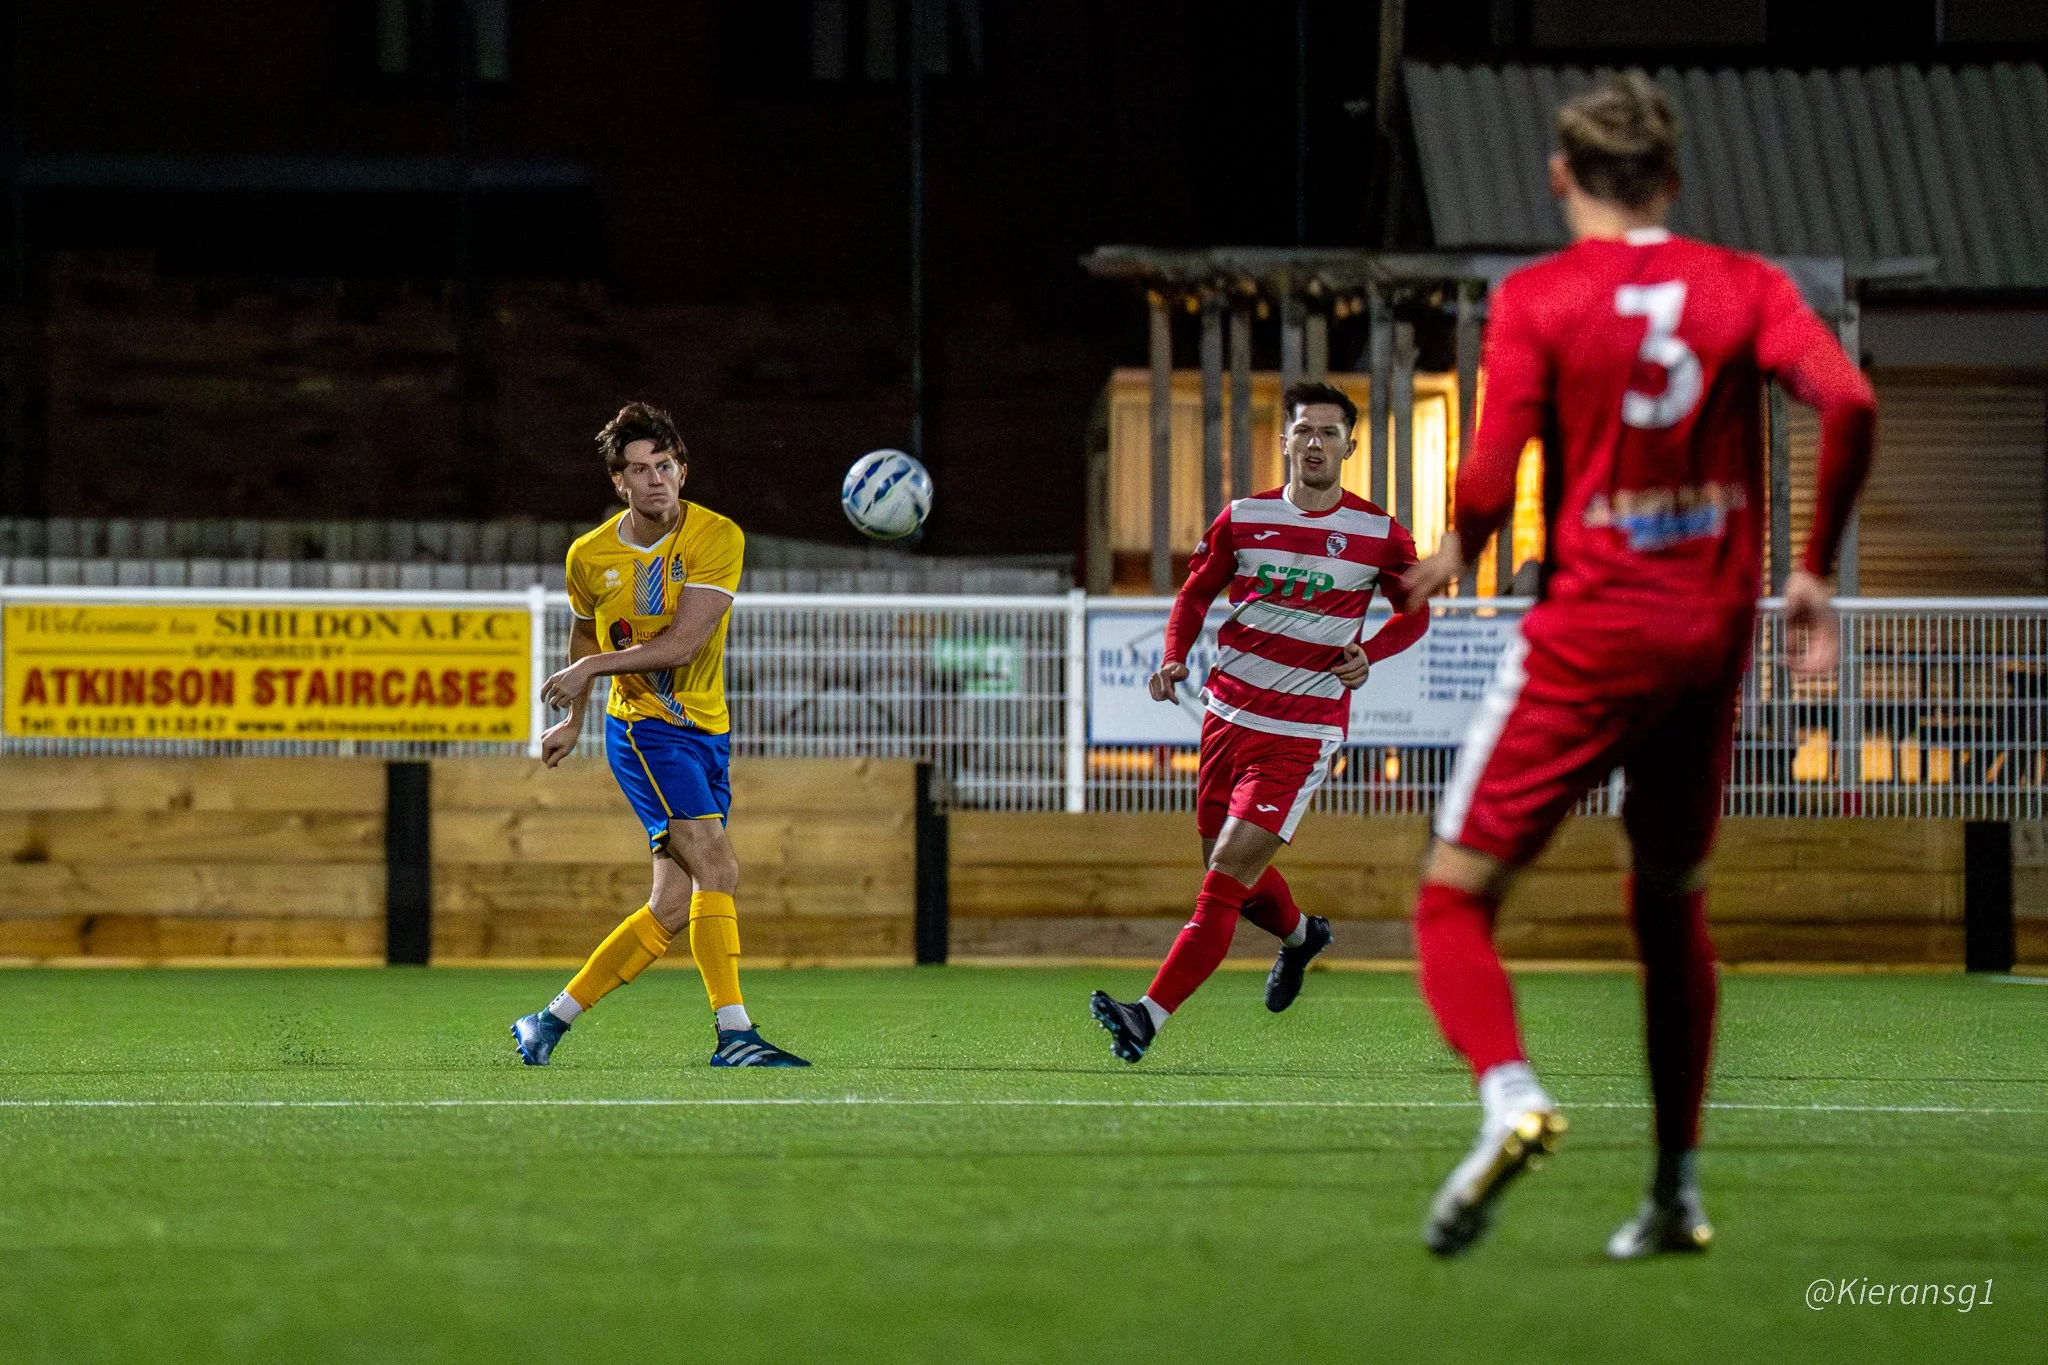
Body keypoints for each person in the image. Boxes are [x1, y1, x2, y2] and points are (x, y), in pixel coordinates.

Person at [1396, 72, 1875, 1256]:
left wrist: (1457, 542)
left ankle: (1509, 1094)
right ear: (1670, 179)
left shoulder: (1539, 298)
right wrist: (1809, 567)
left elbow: (1490, 464)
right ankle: (1672, 1193)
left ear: (1560, 178)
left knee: (1450, 901)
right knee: (1666, 905)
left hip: (1589, 633)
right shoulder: (1742, 285)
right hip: (1707, 639)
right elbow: (1848, 400)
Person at [1090, 381, 1430, 1061]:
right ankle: (1302, 936)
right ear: (1285, 440)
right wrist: (1173, 658)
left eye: (1329, 433)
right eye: (1304, 429)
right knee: (1229, 869)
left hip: (1301, 733)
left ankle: (1147, 1017)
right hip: (1225, 715)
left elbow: (1415, 609)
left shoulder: (1376, 533)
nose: (1315, 443)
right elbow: (1195, 592)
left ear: (1349, 446)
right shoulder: (1244, 517)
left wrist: (1373, 650)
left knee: (1222, 875)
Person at [510, 403, 809, 1068]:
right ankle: (734, 1033)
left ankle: (547, 1021)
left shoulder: (717, 536)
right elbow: (586, 629)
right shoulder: (589, 555)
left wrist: (588, 668)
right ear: (619, 482)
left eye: (664, 466)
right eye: (639, 470)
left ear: (682, 469)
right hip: (645, 731)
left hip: (705, 730)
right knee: (719, 866)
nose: (655, 480)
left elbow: (683, 643)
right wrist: (578, 716)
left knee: (673, 903)